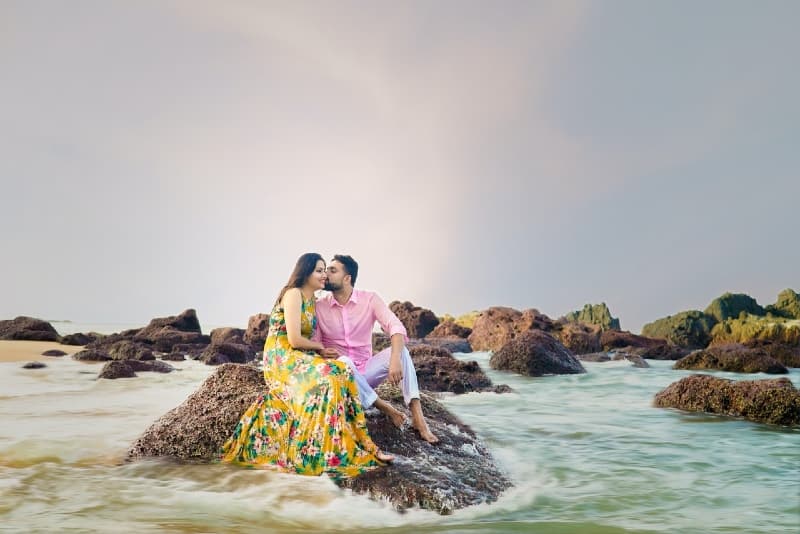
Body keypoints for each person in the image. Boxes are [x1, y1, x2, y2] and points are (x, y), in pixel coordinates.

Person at [220, 253, 393, 477]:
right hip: (281, 358)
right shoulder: (293, 295)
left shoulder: (312, 301)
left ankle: (363, 445)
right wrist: (320, 349)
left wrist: (324, 351)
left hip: (300, 355)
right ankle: (333, 447)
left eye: (326, 271)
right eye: (319, 271)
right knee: (332, 374)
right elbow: (293, 339)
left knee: (341, 369)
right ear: (306, 272)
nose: (324, 275)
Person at [315, 254, 439, 444]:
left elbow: (395, 327)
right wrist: (322, 351)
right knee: (343, 362)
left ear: (347, 278)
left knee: (403, 352)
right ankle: (384, 407)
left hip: (366, 371)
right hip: (340, 377)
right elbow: (315, 344)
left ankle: (418, 419)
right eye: (325, 270)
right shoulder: (318, 306)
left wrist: (395, 359)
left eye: (332, 270)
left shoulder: (369, 299)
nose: (326, 274)